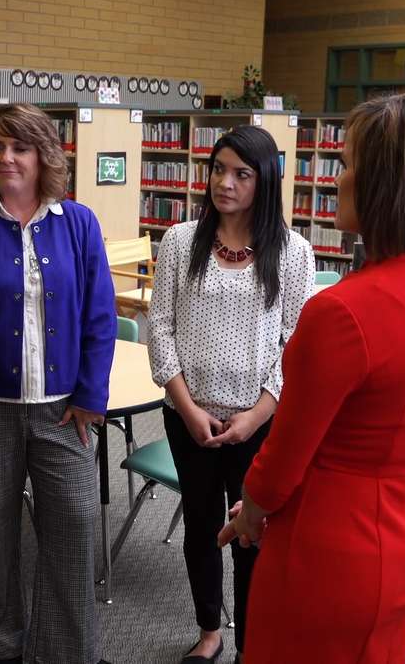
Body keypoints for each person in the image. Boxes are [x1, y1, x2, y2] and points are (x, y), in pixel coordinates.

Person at [218, 90, 405, 663]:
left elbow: (282, 461)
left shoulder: (343, 312)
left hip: (326, 549)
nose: (336, 180)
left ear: (389, 182)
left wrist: (251, 514)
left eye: (346, 166)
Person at [0, 102, 117, 664]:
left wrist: (90, 395)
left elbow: (100, 317)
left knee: (75, 528)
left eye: (21, 147)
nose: (7, 157)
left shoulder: (78, 222)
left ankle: (64, 649)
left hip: (63, 410)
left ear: (44, 156)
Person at [147, 126, 315, 664]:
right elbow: (160, 330)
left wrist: (258, 414)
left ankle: (251, 644)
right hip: (187, 415)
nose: (225, 182)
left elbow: (296, 344)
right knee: (200, 525)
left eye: (241, 173)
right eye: (218, 169)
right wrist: (189, 408)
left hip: (257, 422)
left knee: (249, 533)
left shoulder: (292, 253)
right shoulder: (180, 241)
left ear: (264, 182)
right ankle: (209, 630)